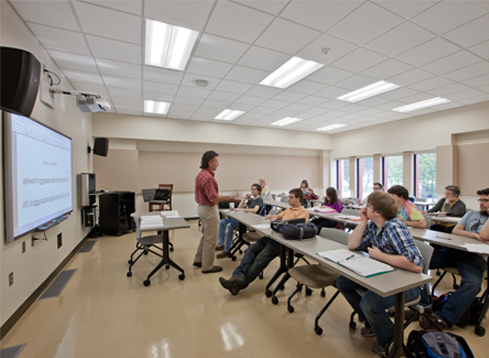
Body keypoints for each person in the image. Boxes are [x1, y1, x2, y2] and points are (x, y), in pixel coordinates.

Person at [336, 191, 424, 355]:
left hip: (407, 284)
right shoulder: (374, 225)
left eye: (368, 206)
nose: (364, 208)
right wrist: (363, 221)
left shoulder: (394, 227)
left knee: (370, 303)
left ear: (377, 212)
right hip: (383, 274)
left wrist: (381, 256)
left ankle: (390, 342)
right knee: (342, 282)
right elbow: (352, 245)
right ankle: (372, 323)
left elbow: (416, 264)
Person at [419, 188, 489, 331]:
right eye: (480, 200)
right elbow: (456, 231)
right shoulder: (471, 214)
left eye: (485, 200)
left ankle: (443, 318)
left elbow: (484, 235)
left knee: (473, 283)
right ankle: (423, 304)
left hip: (474, 258)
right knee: (417, 261)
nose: (481, 203)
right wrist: (474, 236)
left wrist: (474, 234)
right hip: (454, 251)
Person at [218, 188, 309, 295]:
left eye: (291, 197)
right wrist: (272, 216)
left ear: (298, 199)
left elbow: (296, 229)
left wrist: (280, 222)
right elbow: (279, 216)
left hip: (284, 242)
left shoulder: (303, 213)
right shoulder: (289, 209)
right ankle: (237, 275)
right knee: (251, 249)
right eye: (288, 197)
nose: (288, 199)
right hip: (274, 236)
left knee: (261, 257)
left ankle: (241, 283)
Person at [194, 151, 238, 274]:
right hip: (209, 210)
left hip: (202, 208)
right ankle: (207, 266)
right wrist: (230, 198)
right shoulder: (208, 178)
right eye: (216, 161)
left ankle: (199, 260)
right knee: (211, 239)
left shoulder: (201, 174)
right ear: (210, 162)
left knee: (206, 236)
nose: (218, 164)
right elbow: (213, 198)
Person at [216, 184, 264, 258]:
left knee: (230, 226)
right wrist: (244, 198)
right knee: (222, 222)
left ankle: (227, 250)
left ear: (259, 191)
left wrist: (242, 210)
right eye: (251, 189)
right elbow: (239, 207)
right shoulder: (251, 200)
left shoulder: (259, 200)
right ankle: (221, 244)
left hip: (249, 222)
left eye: (254, 189)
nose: (252, 191)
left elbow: (254, 210)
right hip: (243, 218)